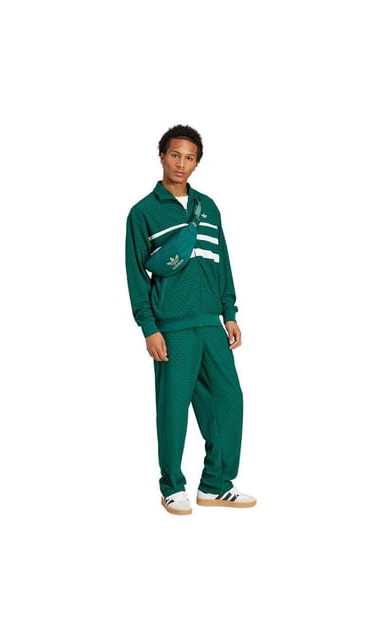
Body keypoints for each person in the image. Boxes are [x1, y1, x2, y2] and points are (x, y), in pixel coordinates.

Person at [125, 124, 256, 515]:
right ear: (161, 156)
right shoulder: (143, 212)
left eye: (190, 157)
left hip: (211, 325)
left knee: (228, 400)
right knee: (174, 408)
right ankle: (172, 486)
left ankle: (215, 484)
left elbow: (222, 260)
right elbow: (136, 275)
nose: (181, 164)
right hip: (172, 327)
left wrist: (229, 312)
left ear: (197, 163)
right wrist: (149, 328)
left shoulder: (208, 208)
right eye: (175, 155)